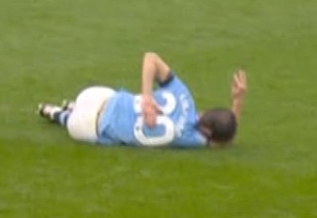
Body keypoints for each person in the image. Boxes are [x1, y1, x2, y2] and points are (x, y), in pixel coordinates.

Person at [37, 52, 248, 148]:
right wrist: (238, 105)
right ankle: (57, 113)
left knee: (107, 100)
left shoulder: (184, 95)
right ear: (209, 133)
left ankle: (70, 106)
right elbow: (225, 141)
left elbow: (150, 58)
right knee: (77, 124)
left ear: (206, 112)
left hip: (97, 94)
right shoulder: (192, 138)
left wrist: (147, 98)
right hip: (87, 128)